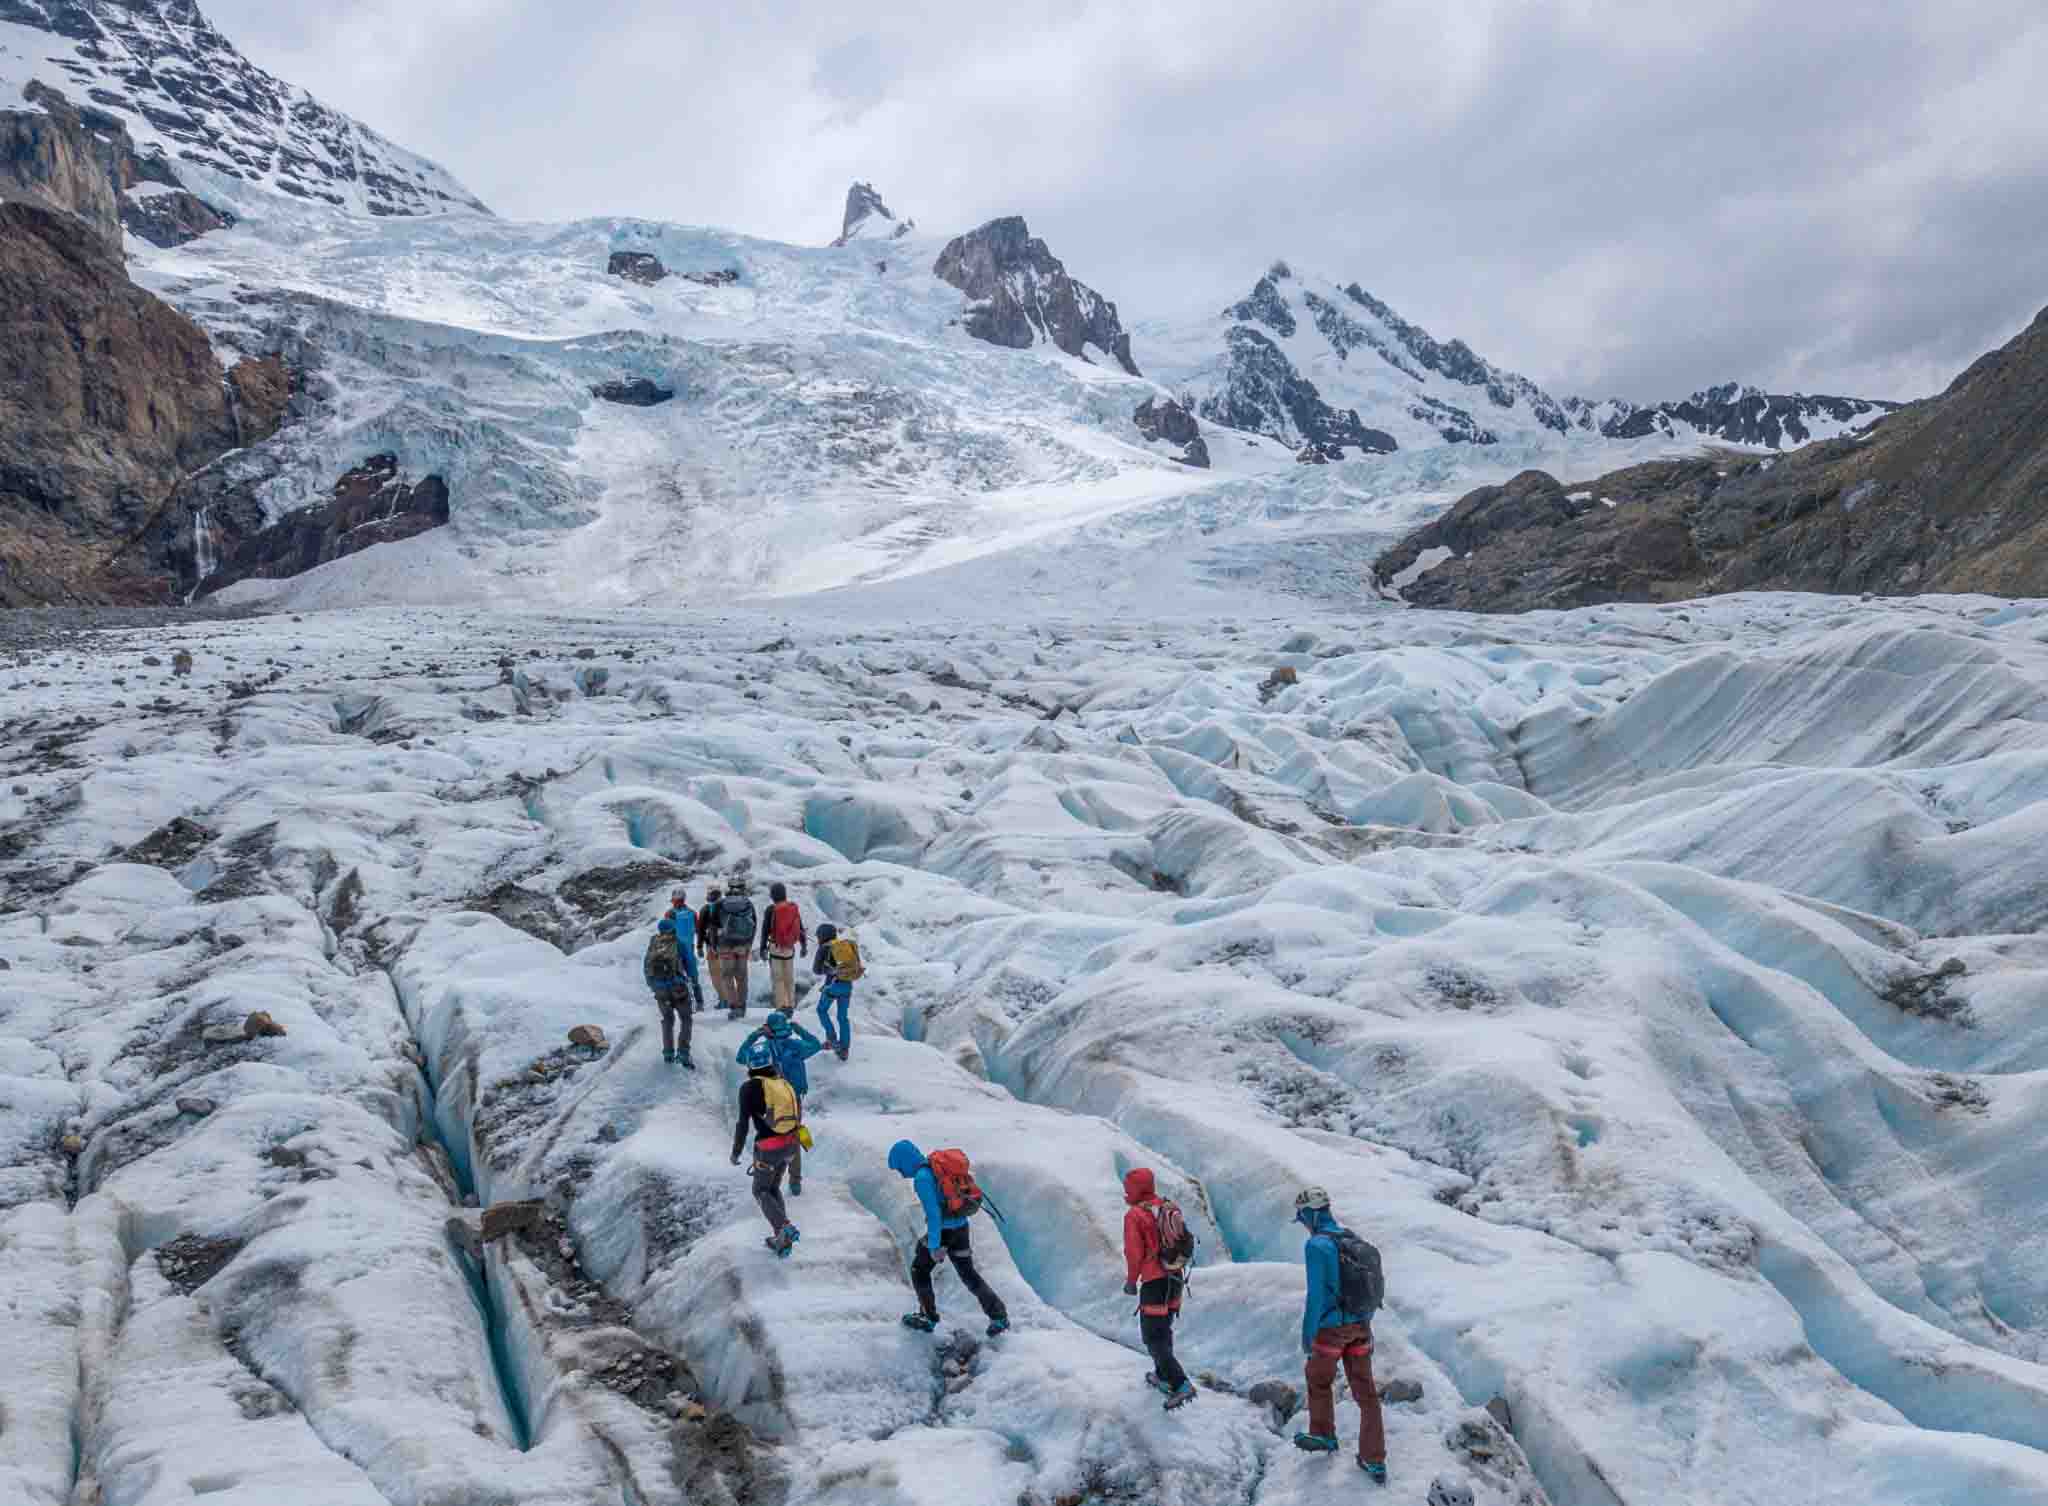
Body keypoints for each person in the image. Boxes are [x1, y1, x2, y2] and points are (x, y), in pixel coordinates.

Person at [1292, 1187, 1387, 1483]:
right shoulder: (1351, 1239)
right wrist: (1364, 1324)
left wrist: (1308, 1336)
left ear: (1310, 1214)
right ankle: (1374, 1460)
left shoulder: (1317, 1246)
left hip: (1332, 1329)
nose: (1303, 1223)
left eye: (1302, 1217)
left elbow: (1316, 1295)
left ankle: (1323, 1434)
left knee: (1318, 1378)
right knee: (1366, 1393)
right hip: (1361, 1325)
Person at [888, 1140, 1009, 1337]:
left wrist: (935, 1246)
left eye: (899, 1167)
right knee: (969, 1274)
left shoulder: (922, 1178)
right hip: (961, 1229)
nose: (900, 1173)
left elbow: (934, 1215)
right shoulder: (935, 1170)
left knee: (919, 1270)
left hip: (944, 1232)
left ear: (905, 1160)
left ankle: (927, 1317)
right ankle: (999, 1316)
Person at [1121, 1168, 1195, 1409]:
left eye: (1128, 1186)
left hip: (1154, 1282)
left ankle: (1181, 1383)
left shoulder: (1135, 1215)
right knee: (1164, 1330)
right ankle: (1162, 1376)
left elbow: (1134, 1253)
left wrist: (1132, 1281)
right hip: (1175, 1277)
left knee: (1153, 1336)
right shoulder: (1167, 1205)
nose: (1125, 1191)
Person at [736, 1011, 825, 1194]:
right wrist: (798, 1029)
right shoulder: (796, 1046)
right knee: (794, 1132)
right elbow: (816, 1045)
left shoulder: (764, 1049)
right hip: (793, 1098)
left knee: (766, 1134)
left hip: (768, 1099)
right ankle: (795, 1180)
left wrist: (755, 1035)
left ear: (768, 1029)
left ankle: (763, 1170)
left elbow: (741, 1056)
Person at [730, 1039, 801, 1257]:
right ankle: (782, 1238)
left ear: (751, 1065)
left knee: (760, 1190)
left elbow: (743, 1123)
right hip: (791, 1145)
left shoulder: (749, 1088)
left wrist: (736, 1151)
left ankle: (784, 1228)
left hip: (769, 1149)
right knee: (772, 1188)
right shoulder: (782, 1082)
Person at [642, 916, 696, 1067]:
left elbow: (646, 967)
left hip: (660, 990)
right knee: (686, 1019)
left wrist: (653, 986)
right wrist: (694, 982)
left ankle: (668, 1053)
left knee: (667, 1019)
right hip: (678, 988)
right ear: (673, 929)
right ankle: (683, 1053)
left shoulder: (654, 944)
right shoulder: (679, 943)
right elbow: (690, 965)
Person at [709, 875, 759, 1019]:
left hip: (724, 946)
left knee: (727, 976)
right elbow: (754, 925)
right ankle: (742, 1007)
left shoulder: (720, 904)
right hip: (742, 946)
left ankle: (733, 1006)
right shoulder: (748, 904)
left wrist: (713, 946)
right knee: (742, 977)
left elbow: (713, 926)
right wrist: (749, 944)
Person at [759, 881, 807, 1015]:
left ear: (773, 895)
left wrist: (763, 948)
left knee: (778, 979)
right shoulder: (792, 908)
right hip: (789, 949)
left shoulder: (771, 909)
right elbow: (800, 928)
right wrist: (803, 946)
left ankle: (780, 1007)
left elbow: (765, 930)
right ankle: (790, 1006)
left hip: (775, 948)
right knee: (789, 978)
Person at [812, 923, 856, 1061]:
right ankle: (844, 1049)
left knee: (821, 1010)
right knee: (842, 1018)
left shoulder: (824, 948)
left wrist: (827, 967)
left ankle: (831, 1039)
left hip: (832, 986)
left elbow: (816, 970)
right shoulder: (844, 944)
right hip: (847, 985)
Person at [662, 889, 707, 1014]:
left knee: (679, 979)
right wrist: (700, 947)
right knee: (693, 978)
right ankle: (699, 1003)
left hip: (676, 952)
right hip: (688, 951)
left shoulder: (669, 914)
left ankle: (686, 1004)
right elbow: (699, 931)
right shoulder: (692, 913)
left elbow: (664, 934)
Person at [696, 886, 724, 1006]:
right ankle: (732, 998)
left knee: (716, 975)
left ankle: (724, 999)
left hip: (711, 947)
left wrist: (699, 947)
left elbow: (701, 930)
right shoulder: (726, 907)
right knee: (727, 974)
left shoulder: (705, 909)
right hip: (727, 946)